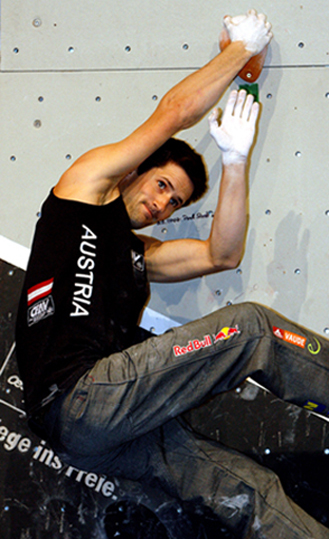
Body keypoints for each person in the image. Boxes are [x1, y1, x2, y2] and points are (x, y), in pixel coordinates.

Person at [15, 9, 329, 538]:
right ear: (135, 169)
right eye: (162, 185)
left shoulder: (138, 255)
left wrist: (235, 160)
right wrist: (238, 52)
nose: (165, 205)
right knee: (252, 328)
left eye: (176, 201)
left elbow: (220, 256)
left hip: (94, 433)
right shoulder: (82, 191)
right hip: (85, 396)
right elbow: (173, 115)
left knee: (246, 489)